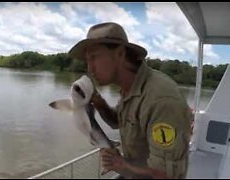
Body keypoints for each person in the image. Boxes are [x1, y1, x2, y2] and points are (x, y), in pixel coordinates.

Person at [68, 22, 192, 179]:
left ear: (120, 53)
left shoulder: (161, 100)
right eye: (87, 61)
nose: (90, 68)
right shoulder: (130, 88)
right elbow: (117, 121)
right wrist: (99, 103)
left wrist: (120, 164)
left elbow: (166, 175)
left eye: (94, 57)